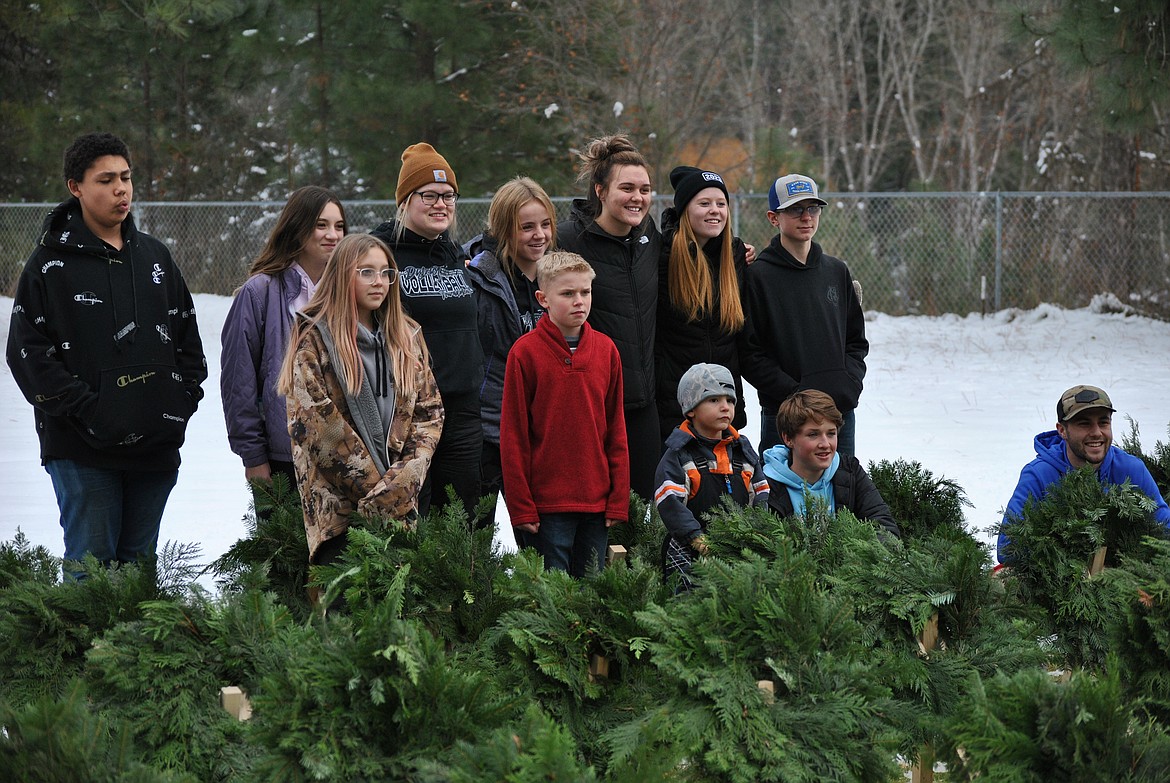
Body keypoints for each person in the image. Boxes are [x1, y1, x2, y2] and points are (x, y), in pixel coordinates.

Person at [6, 132, 207, 575]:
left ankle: (135, 649)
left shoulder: (155, 257)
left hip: (154, 449)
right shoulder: (48, 264)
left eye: (127, 178)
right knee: (91, 574)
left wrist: (175, 406)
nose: (121, 189)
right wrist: (91, 410)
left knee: (138, 574)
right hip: (81, 449)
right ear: (75, 187)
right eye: (106, 180)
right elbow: (27, 355)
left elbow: (189, 344)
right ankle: (85, 649)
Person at [278, 234, 444, 565]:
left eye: (386, 273)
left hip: (399, 506)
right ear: (342, 275)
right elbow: (319, 431)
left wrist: (399, 486)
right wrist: (379, 497)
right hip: (340, 515)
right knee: (347, 612)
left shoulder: (406, 337)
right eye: (366, 271)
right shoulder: (314, 340)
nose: (379, 282)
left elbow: (429, 416)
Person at [371, 143, 483, 520]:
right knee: (412, 518)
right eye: (429, 195)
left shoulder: (454, 253)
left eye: (449, 195)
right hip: (409, 413)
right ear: (405, 200)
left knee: (461, 520)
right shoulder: (380, 252)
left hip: (464, 411)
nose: (441, 204)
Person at [500, 251, 629, 576]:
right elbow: (513, 436)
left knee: (591, 589)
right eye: (567, 293)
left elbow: (616, 430)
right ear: (543, 298)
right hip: (547, 507)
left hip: (596, 504)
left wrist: (617, 498)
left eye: (585, 292)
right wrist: (521, 506)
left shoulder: (606, 351)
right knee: (552, 596)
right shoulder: (525, 353)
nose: (579, 301)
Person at [220, 186, 347, 503]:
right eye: (321, 225)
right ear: (298, 227)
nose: (332, 234)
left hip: (345, 459)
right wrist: (253, 456)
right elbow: (239, 380)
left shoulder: (350, 293)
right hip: (283, 461)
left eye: (339, 226)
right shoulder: (259, 292)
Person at [556, 134, 661, 500]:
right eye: (627, 188)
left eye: (645, 189)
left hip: (644, 404)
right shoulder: (568, 240)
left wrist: (734, 250)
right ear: (600, 191)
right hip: (591, 407)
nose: (638, 197)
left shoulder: (650, 237)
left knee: (643, 512)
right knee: (596, 517)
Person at [742, 174, 868, 457]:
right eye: (795, 209)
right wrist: (796, 395)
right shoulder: (758, 277)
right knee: (781, 497)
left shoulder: (836, 271)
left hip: (838, 415)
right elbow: (750, 354)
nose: (806, 217)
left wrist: (848, 386)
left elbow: (856, 342)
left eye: (813, 208)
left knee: (841, 494)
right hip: (785, 417)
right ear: (774, 218)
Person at [467, 177, 555, 532]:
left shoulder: (558, 277)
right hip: (491, 430)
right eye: (527, 227)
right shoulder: (478, 279)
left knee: (542, 542)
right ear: (505, 229)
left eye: (545, 224)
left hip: (542, 431)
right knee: (478, 538)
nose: (539, 235)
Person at [997, 384, 1170, 564]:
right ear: (1062, 430)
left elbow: (1164, 529)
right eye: (1084, 423)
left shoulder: (1131, 470)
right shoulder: (1039, 475)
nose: (1096, 433)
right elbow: (1007, 548)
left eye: (1103, 422)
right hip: (1057, 582)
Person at [655, 166, 751, 441]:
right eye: (704, 203)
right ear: (685, 209)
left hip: (725, 406)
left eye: (721, 204)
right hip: (676, 409)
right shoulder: (662, 256)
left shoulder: (735, 255)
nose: (715, 210)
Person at [654, 363, 768, 590]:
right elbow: (669, 501)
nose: (725, 407)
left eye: (730, 400)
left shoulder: (743, 451)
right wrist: (696, 538)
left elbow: (760, 494)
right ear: (691, 408)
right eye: (714, 400)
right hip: (689, 547)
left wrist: (754, 534)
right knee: (687, 605)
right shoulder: (679, 454)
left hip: (737, 547)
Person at [762, 390, 900, 539]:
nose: (825, 444)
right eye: (813, 434)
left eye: (831, 433)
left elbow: (884, 527)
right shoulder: (767, 485)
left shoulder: (850, 471)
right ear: (788, 438)